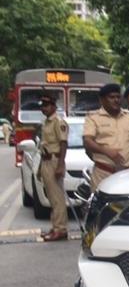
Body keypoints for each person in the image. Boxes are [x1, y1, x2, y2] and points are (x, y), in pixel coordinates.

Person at [83, 83, 129, 191]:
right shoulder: (93, 118)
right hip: (104, 173)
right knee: (103, 207)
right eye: (111, 97)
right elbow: (87, 141)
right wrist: (106, 151)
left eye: (118, 97)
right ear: (102, 100)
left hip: (128, 173)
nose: (116, 100)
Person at [36, 94, 70, 242]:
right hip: (46, 160)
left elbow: (63, 143)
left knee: (57, 198)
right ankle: (56, 226)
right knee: (51, 196)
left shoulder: (58, 122)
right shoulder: (46, 122)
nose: (44, 108)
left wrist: (61, 165)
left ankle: (60, 229)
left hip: (55, 160)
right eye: (42, 106)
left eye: (47, 105)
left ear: (53, 106)